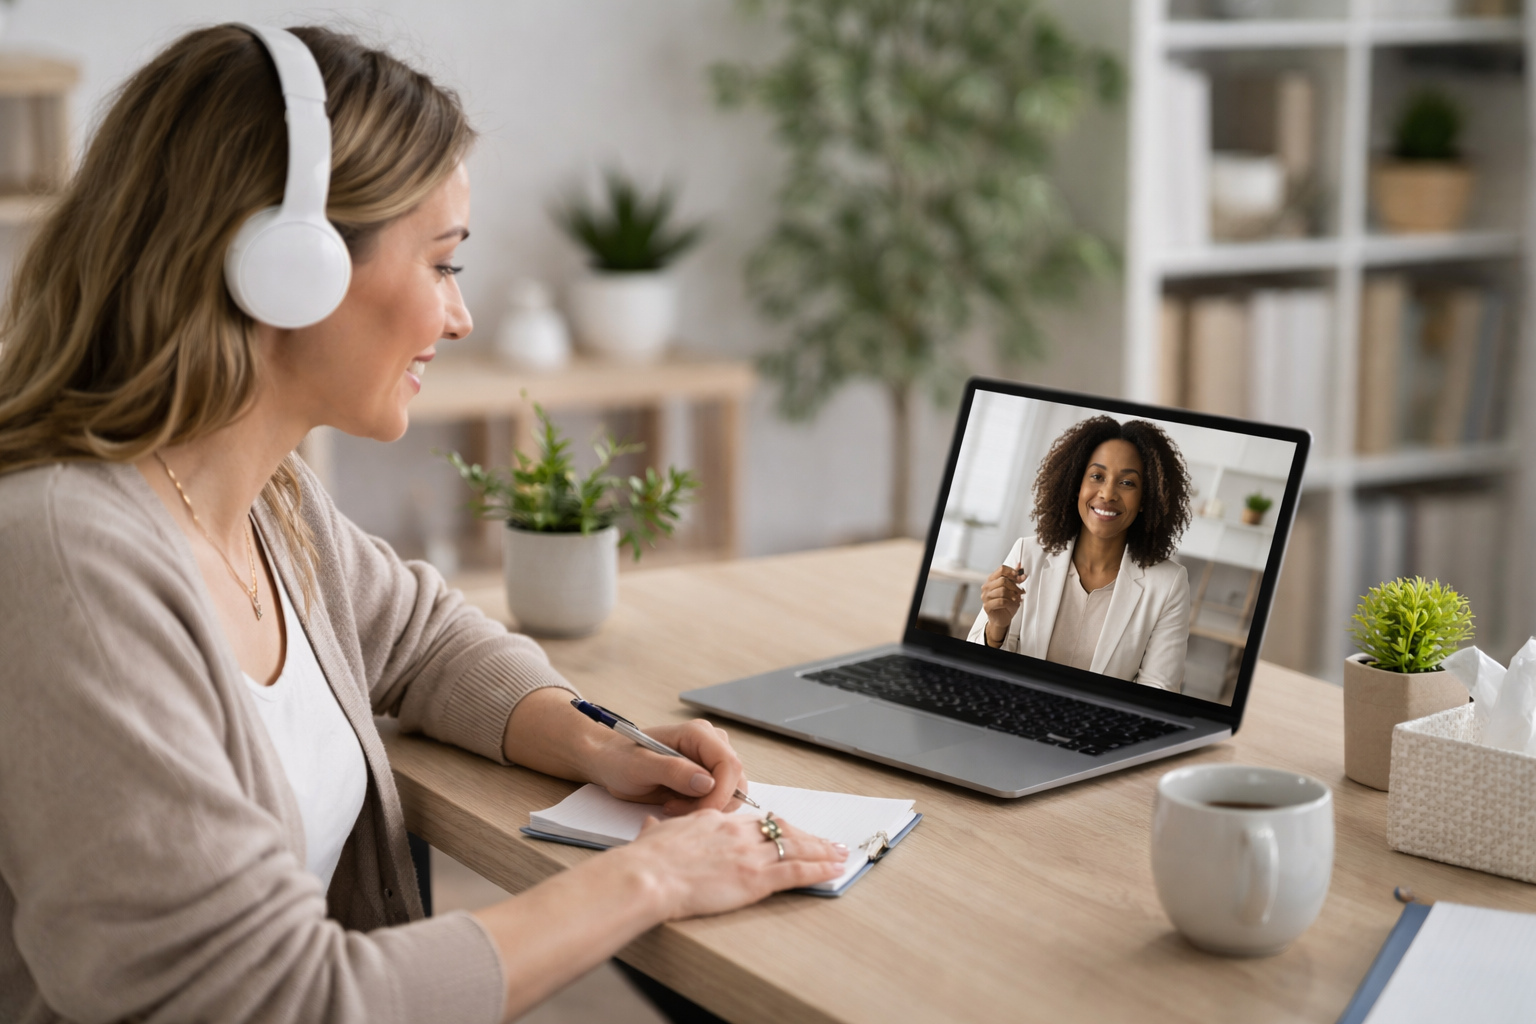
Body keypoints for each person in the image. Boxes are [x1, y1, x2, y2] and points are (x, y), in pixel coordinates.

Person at [0, 25, 845, 1024]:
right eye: (443, 265)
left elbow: (423, 636)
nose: (461, 318)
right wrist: (650, 879)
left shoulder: (267, 501)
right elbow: (264, 1000)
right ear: (287, 268)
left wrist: (595, 742)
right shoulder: (67, 560)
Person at [966, 416, 1194, 691]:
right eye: (1097, 476)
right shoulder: (1027, 555)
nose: (1108, 493)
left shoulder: (1168, 584)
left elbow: (1159, 691)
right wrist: (997, 629)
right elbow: (977, 672)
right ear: (1076, 484)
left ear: (1147, 499)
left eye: (1128, 483)